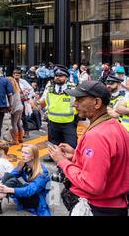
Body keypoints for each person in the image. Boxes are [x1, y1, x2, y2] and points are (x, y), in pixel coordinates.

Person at [49, 80, 129, 216]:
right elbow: (108, 163)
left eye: (80, 100)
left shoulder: (96, 135)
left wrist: (62, 161)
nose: (75, 104)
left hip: (97, 208)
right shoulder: (117, 126)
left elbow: (93, 185)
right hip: (115, 206)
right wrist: (77, 155)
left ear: (97, 103)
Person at [0, 144, 51, 216]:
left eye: (26, 153)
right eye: (22, 152)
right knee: (8, 177)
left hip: (36, 200)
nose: (22, 155)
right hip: (27, 195)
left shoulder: (42, 172)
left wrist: (8, 189)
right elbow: (10, 175)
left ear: (33, 156)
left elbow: (30, 191)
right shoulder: (23, 164)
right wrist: (1, 182)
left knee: (13, 182)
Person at [39, 65, 78, 161]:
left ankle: (70, 159)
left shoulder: (72, 87)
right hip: (52, 120)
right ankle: (53, 156)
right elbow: (43, 100)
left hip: (69, 121)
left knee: (70, 143)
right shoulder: (49, 87)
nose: (58, 77)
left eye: (61, 75)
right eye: (56, 75)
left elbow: (78, 102)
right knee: (53, 141)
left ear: (66, 77)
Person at [7, 73, 24, 145]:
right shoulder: (17, 89)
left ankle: (15, 140)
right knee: (19, 123)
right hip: (20, 107)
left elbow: (12, 102)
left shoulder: (12, 91)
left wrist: (10, 109)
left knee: (14, 124)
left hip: (16, 108)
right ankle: (20, 138)